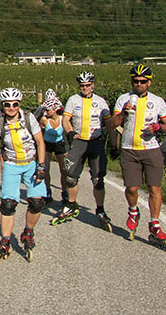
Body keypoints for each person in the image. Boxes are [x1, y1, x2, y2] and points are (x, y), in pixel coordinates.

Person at [111, 64, 166, 250]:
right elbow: (112, 124)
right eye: (136, 81)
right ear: (132, 82)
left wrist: (158, 128)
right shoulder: (123, 99)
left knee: (155, 188)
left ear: (149, 82)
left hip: (151, 149)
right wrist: (122, 113)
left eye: (143, 81)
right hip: (129, 149)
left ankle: (155, 224)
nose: (139, 84)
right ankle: (133, 211)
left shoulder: (158, 101)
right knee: (131, 188)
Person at [0, 87, 46, 263]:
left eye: (15, 104)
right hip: (11, 165)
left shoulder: (29, 118)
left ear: (19, 104)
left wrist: (41, 167)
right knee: (8, 204)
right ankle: (4, 241)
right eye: (7, 104)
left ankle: (28, 232)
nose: (11, 107)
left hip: (31, 163)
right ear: (3, 105)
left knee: (36, 202)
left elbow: (40, 142)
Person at [52, 71, 112, 230]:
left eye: (87, 85)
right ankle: (71, 204)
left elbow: (110, 123)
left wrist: (113, 143)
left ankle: (100, 210)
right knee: (70, 176)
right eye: (82, 85)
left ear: (93, 85)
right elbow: (66, 119)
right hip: (79, 141)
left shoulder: (101, 101)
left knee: (98, 180)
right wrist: (70, 132)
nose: (85, 88)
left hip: (95, 142)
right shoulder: (73, 99)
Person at [36, 96, 68, 206]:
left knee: (64, 170)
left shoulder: (62, 118)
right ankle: (47, 191)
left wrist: (68, 149)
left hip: (60, 144)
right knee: (46, 169)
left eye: (48, 110)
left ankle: (65, 192)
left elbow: (68, 133)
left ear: (54, 109)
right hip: (47, 144)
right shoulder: (44, 119)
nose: (46, 112)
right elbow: (38, 133)